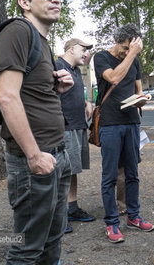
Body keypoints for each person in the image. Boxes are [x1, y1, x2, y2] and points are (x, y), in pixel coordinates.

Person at [0, 0, 74, 264]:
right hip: (34, 159)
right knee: (27, 249)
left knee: (52, 240)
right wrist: (34, 155)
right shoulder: (18, 31)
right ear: (24, 2)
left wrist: (58, 87)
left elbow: (30, 94)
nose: (56, 0)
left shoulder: (43, 41)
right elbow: (6, 96)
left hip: (57, 155)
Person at [93, 24, 154, 243]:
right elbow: (114, 78)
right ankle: (111, 222)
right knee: (109, 176)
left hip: (131, 122)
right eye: (124, 48)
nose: (127, 53)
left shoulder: (134, 61)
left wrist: (142, 99)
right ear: (116, 41)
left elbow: (138, 91)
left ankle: (134, 216)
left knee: (132, 173)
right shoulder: (101, 57)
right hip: (109, 123)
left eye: (131, 49)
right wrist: (133, 54)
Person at [56, 38, 96, 234]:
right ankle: (59, 216)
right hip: (64, 127)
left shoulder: (76, 70)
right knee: (62, 172)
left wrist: (87, 102)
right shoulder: (56, 66)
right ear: (71, 49)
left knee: (72, 171)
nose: (86, 54)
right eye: (83, 50)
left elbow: (78, 92)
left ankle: (72, 209)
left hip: (78, 125)